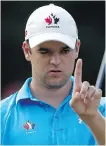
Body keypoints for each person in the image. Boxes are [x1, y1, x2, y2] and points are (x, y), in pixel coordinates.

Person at [1, 3, 105, 145]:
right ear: (27, 50)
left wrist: (93, 119)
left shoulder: (100, 110)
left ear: (77, 48)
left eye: (64, 51)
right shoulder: (3, 116)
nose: (55, 61)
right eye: (44, 52)